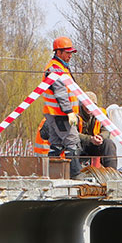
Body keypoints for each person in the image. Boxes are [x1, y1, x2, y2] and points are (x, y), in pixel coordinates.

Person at [39, 36, 82, 177]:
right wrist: (69, 112)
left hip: (55, 114)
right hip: (61, 115)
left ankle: (54, 176)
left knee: (56, 145)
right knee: (72, 143)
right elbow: (61, 93)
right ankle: (75, 177)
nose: (70, 55)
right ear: (58, 53)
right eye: (67, 52)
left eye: (71, 53)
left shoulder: (61, 67)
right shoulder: (55, 69)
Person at [75, 90, 116, 169]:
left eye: (91, 105)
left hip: (95, 144)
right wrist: (90, 139)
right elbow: (73, 134)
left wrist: (100, 137)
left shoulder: (102, 114)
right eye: (86, 104)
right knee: (72, 145)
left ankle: (112, 174)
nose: (89, 107)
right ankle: (74, 174)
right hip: (79, 144)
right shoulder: (74, 114)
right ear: (81, 104)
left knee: (109, 143)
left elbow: (106, 130)